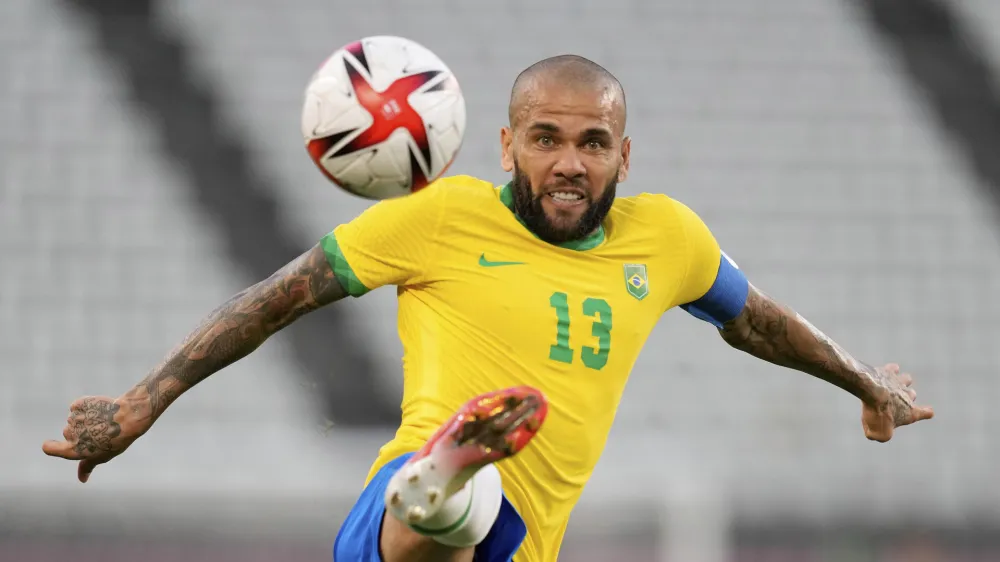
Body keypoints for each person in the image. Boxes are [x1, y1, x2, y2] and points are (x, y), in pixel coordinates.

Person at [42, 54, 935, 562]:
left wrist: (865, 384)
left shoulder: (667, 239)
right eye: (546, 139)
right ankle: (448, 477)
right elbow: (278, 297)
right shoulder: (441, 216)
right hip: (400, 513)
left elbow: (758, 319)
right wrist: (141, 402)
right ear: (507, 142)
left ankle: (453, 487)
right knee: (457, 519)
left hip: (528, 550)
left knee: (487, 534)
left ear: (627, 154)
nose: (570, 163)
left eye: (594, 143)